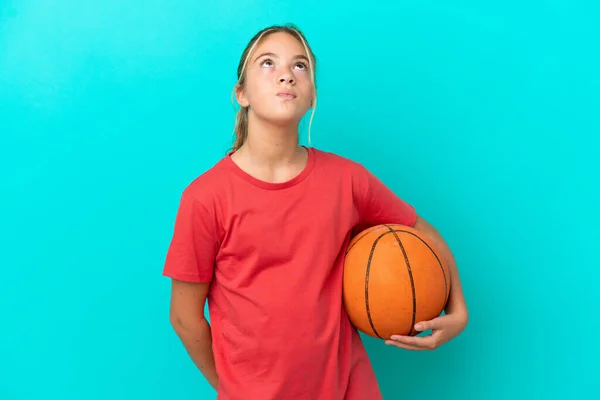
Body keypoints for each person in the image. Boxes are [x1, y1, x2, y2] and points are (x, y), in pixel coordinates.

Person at [163, 24, 468, 400]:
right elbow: (183, 317)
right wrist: (232, 387)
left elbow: (424, 235)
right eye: (267, 62)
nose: (286, 73)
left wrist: (458, 310)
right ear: (241, 94)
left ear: (311, 96)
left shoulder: (348, 180)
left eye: (300, 65)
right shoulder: (205, 197)